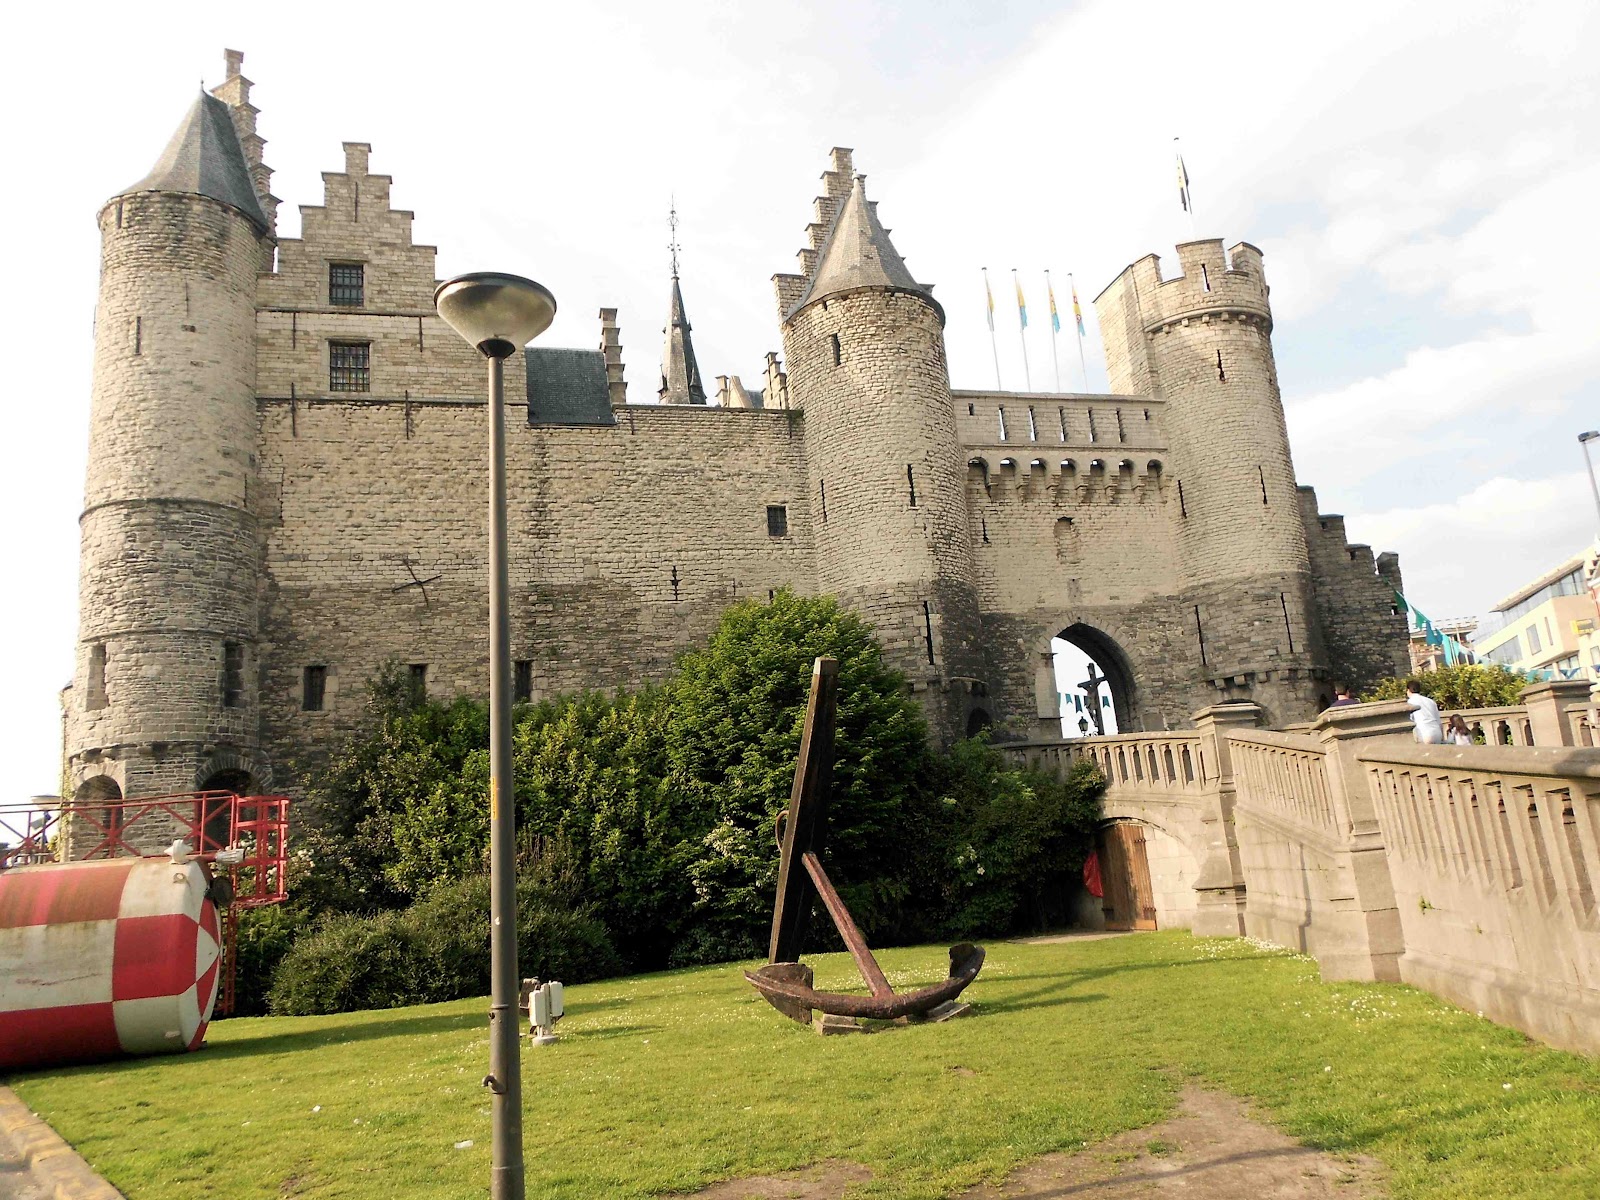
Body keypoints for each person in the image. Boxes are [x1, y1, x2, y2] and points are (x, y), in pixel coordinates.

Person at [1405, 680, 1444, 744]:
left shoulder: (1410, 702)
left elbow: (1410, 720)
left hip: (1423, 732)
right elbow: (1439, 722)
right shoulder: (1431, 701)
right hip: (1437, 732)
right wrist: (1442, 738)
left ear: (1408, 690)